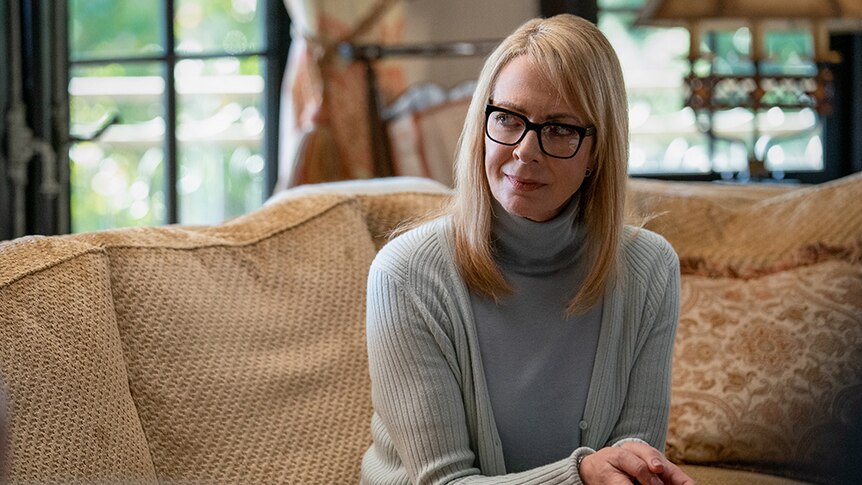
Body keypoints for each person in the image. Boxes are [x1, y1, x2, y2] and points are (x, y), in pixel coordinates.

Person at [360, 13, 692, 485]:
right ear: (482, 123)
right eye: (509, 119)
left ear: (597, 150)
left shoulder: (649, 269)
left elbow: (632, 461)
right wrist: (580, 476)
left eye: (559, 129)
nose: (525, 150)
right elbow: (444, 482)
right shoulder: (405, 274)